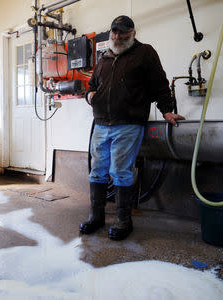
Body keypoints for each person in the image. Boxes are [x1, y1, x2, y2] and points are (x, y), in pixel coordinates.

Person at [79, 15, 185, 241]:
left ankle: (123, 220)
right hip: (101, 124)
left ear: (133, 33)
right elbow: (92, 85)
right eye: (114, 32)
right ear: (111, 34)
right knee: (97, 169)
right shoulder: (104, 58)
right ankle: (96, 216)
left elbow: (160, 84)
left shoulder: (145, 53)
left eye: (123, 32)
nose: (118, 36)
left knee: (120, 170)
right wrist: (89, 96)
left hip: (128, 124)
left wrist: (167, 110)